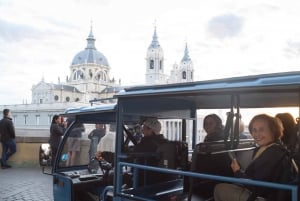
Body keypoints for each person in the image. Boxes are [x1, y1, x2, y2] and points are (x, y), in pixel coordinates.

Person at [214, 114, 287, 201]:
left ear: (273, 131)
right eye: (254, 130)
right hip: (266, 193)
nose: (257, 134)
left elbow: (256, 186)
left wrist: (237, 172)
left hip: (265, 197)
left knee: (219, 189)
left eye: (262, 130)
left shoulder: (271, 154)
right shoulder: (273, 148)